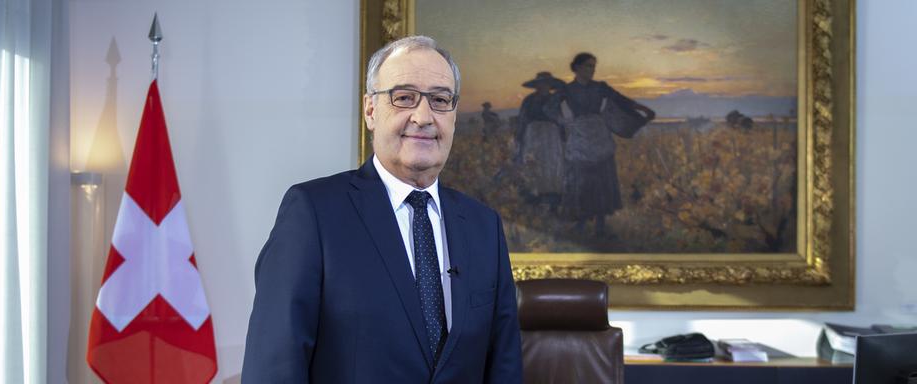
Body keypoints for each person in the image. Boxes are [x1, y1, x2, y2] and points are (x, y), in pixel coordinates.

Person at [242, 35, 523, 383]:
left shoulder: (483, 226)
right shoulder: (314, 213)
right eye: (404, 98)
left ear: (454, 116)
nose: (423, 117)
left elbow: (504, 366)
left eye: (439, 100)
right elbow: (275, 366)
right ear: (370, 110)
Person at [551, 52, 655, 236]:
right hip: (580, 134)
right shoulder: (567, 89)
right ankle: (581, 222)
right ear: (577, 68)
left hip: (599, 133)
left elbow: (621, 100)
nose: (592, 70)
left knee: (601, 178)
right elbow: (549, 107)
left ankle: (600, 224)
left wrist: (642, 108)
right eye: (588, 66)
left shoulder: (600, 87)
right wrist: (561, 120)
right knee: (581, 178)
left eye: (593, 66)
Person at [516, 72, 565, 210]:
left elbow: (560, 119)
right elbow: (522, 120)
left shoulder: (554, 100)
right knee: (533, 163)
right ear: (537, 85)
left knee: (552, 165)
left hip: (551, 136)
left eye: (547, 84)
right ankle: (534, 200)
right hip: (533, 135)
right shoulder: (529, 100)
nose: (544, 86)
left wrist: (563, 138)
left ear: (550, 86)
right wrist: (519, 137)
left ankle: (552, 200)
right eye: (541, 83)